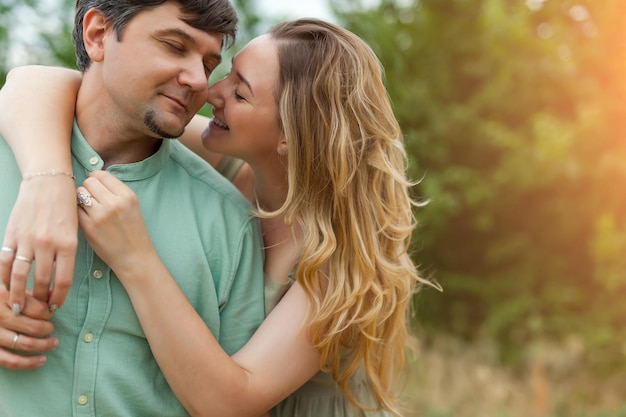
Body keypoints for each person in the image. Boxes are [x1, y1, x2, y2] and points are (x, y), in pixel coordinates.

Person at [0, 18, 432, 417]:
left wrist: (136, 258)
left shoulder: (340, 257)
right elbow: (39, 85)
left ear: (288, 136)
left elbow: (232, 402)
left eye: (240, 92)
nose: (211, 92)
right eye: (224, 72)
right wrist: (48, 184)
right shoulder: (238, 161)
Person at [0, 1, 267, 416]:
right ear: (98, 35)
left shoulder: (229, 221)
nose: (198, 80)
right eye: (175, 46)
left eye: (209, 63)